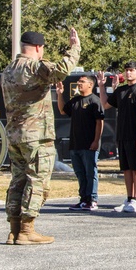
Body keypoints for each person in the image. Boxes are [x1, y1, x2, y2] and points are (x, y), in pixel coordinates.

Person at [1, 28, 80, 245]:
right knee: (37, 181)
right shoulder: (35, 67)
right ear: (38, 48)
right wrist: (75, 48)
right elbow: (62, 70)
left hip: (15, 136)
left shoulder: (8, 70)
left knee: (18, 180)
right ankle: (27, 231)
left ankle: (14, 230)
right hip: (36, 136)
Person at [99, 62, 136, 213]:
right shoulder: (121, 90)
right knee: (126, 168)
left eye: (132, 70)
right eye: (126, 70)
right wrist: (101, 86)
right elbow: (105, 104)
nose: (128, 73)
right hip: (123, 133)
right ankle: (129, 198)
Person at [56, 74, 104, 212]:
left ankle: (92, 200)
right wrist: (60, 94)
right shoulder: (76, 100)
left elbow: (100, 122)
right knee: (80, 173)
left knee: (90, 172)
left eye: (82, 81)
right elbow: (62, 110)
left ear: (90, 84)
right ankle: (83, 199)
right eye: (78, 81)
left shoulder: (95, 101)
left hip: (89, 144)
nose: (79, 83)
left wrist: (96, 141)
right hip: (75, 144)